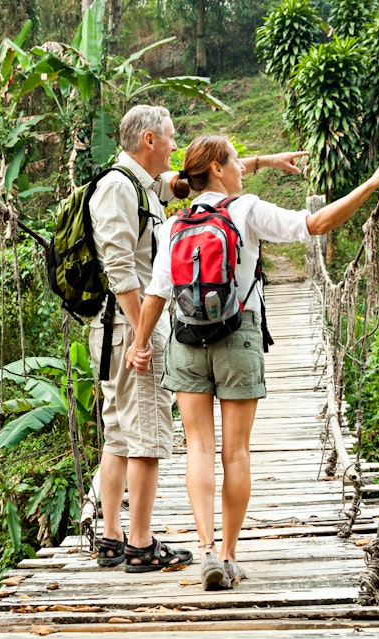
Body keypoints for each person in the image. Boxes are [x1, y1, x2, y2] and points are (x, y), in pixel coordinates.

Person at [126, 135, 379, 589]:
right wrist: (373, 182)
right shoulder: (245, 210)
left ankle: (206, 548)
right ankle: (229, 555)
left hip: (187, 341)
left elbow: (157, 293)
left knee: (199, 448)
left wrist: (139, 343)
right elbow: (317, 223)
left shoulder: (174, 225)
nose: (242, 170)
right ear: (216, 167)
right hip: (238, 336)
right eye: (235, 161)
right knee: (236, 452)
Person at [89, 108, 308, 574]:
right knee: (145, 434)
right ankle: (140, 546)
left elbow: (204, 177)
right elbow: (122, 271)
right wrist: (141, 337)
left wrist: (264, 162)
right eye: (169, 138)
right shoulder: (116, 187)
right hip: (130, 325)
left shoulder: (145, 185)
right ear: (149, 139)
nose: (174, 146)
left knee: (120, 435)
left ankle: (112, 538)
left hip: (139, 328)